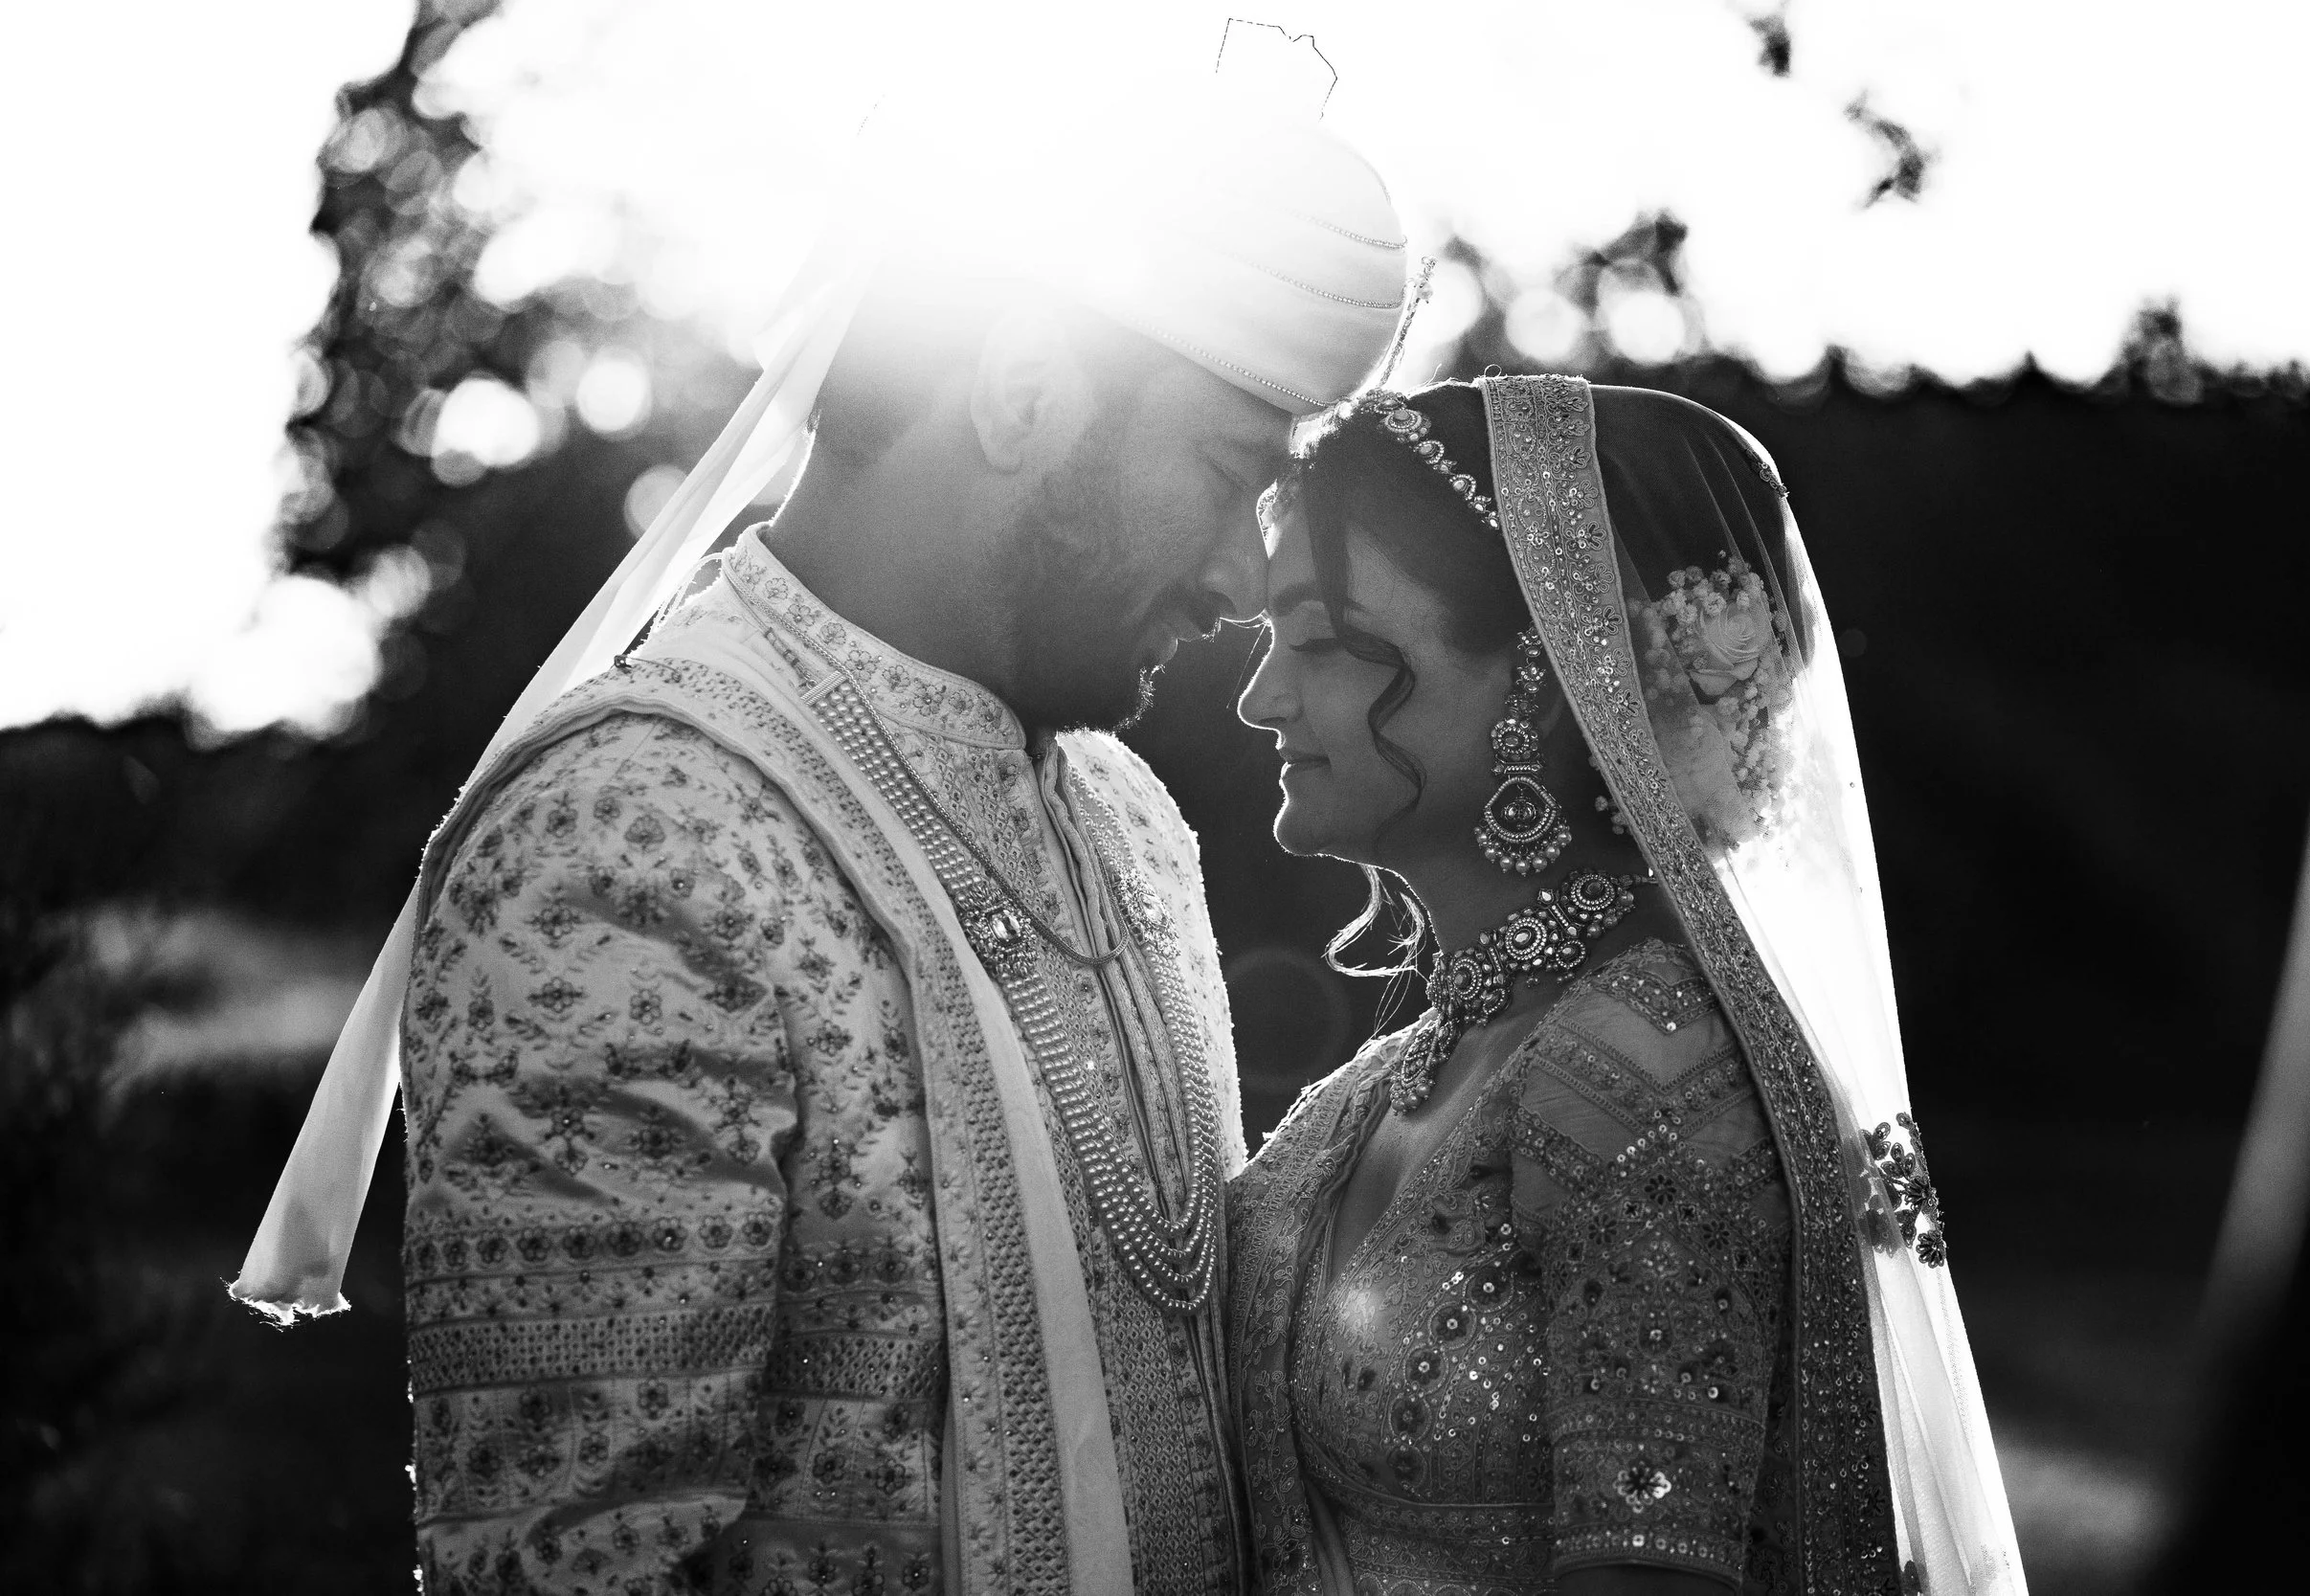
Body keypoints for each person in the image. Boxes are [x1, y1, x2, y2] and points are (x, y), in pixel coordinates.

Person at [233, 62, 1413, 1596]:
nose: (1250, 581)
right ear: (1024, 389)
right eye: (1227, 471)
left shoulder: (1130, 818)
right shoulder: (629, 836)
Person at [1227, 376, 2025, 1594]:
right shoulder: (1413, 1063)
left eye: (1324, 639)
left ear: (1549, 669)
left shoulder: (1650, 1059)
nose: (1261, 697)